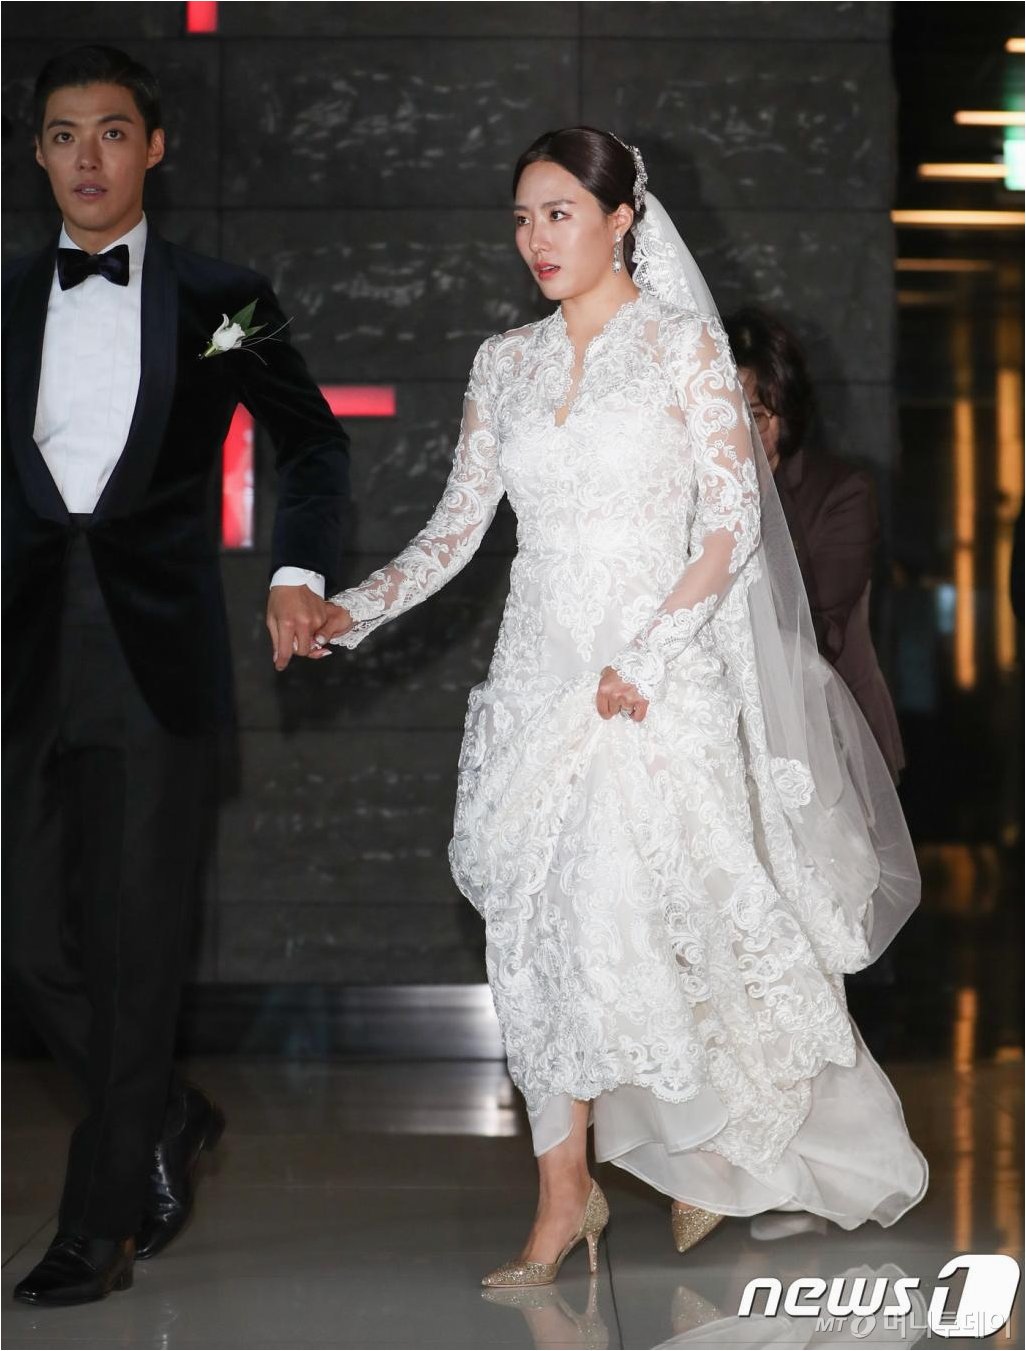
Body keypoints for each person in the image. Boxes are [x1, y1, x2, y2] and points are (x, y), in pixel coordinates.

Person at [313, 127, 927, 1286]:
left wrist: (645, 652)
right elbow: (455, 530)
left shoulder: (685, 349)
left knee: (644, 918)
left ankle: (709, 1146)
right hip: (537, 676)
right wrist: (350, 610)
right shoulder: (504, 362)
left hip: (653, 676)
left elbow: (730, 527)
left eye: (558, 213)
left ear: (621, 218)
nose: (535, 238)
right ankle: (564, 1194)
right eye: (521, 217)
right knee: (529, 929)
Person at [3, 46, 350, 1306]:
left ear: (153, 146)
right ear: (38, 154)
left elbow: (310, 441)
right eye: (62, 135)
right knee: (27, 935)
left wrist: (296, 570)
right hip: (21, 652)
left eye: (111, 131)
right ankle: (158, 1106)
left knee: (137, 943)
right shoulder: (5, 296)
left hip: (156, 659)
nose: (86, 156)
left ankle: (97, 1224)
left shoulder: (223, 297)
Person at [724, 307, 905, 781]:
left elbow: (820, 627)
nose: (739, 432)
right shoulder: (690, 490)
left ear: (789, 412)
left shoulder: (841, 491)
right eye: (725, 414)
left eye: (756, 416)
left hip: (830, 729)